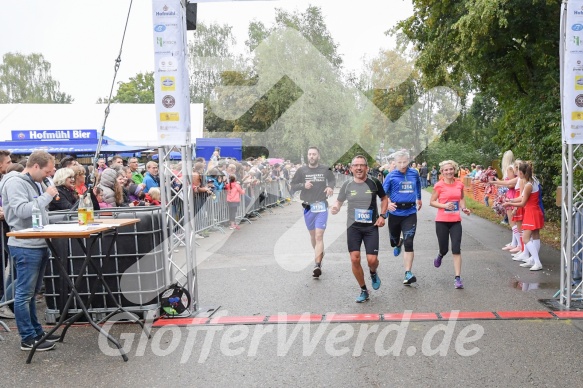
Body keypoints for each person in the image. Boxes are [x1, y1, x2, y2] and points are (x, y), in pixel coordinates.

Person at [0, 150, 60, 351]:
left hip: (38, 242)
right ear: (35, 166)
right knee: (24, 295)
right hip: (25, 245)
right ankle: (27, 338)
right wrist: (46, 197)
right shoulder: (15, 183)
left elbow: (38, 209)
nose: (49, 176)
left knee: (32, 294)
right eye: (47, 172)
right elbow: (22, 210)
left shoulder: (35, 181)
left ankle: (37, 333)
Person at [331, 156, 388, 302]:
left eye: (362, 165)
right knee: (354, 259)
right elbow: (339, 200)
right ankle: (363, 289)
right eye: (356, 165)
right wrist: (336, 207)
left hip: (371, 227)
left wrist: (382, 216)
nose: (359, 168)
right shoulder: (347, 185)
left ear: (366, 168)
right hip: (353, 227)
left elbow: (384, 198)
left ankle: (373, 272)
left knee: (372, 260)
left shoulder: (374, 182)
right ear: (351, 168)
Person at [290, 147, 336, 278]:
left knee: (319, 236)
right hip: (308, 206)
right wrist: (303, 186)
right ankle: (319, 253)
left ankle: (317, 264)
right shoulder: (301, 170)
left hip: (321, 205)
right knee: (313, 236)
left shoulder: (325, 169)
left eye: (314, 154)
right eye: (309, 154)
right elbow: (292, 185)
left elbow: (332, 180)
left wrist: (330, 187)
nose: (311, 156)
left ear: (318, 156)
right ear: (307, 156)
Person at [430, 160, 472, 289]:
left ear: (454, 170)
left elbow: (461, 198)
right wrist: (444, 205)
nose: (449, 172)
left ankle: (457, 278)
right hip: (442, 221)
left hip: (455, 221)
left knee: (456, 248)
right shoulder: (439, 185)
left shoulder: (459, 184)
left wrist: (464, 208)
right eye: (446, 170)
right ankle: (440, 255)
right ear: (442, 172)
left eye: (451, 169)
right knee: (444, 248)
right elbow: (432, 202)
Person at [382, 150, 422, 286]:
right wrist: (387, 203)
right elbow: (382, 193)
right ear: (395, 163)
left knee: (409, 241)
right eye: (399, 162)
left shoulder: (414, 173)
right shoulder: (391, 176)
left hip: (410, 212)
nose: (403, 164)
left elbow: (418, 185)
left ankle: (408, 273)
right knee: (393, 241)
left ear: (409, 160)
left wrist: (419, 199)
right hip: (395, 213)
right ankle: (398, 242)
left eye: (405, 161)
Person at [503, 161, 544, 271]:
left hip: (531, 212)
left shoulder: (528, 185)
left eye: (518, 172)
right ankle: (533, 259)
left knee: (525, 238)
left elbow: (522, 203)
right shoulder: (534, 181)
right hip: (536, 210)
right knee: (535, 235)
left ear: (521, 173)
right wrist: (511, 199)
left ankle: (537, 261)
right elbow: (521, 197)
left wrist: (509, 203)